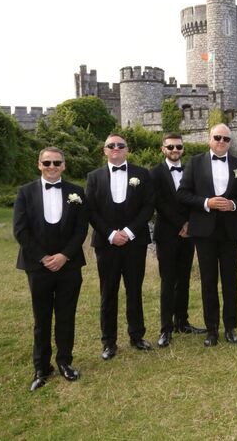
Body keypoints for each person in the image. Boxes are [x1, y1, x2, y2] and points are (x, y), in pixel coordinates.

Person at [13, 147, 88, 390]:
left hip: (69, 265)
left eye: (57, 163)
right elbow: (21, 230)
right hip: (38, 266)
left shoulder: (76, 192)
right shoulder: (25, 193)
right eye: (47, 163)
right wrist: (44, 258)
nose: (52, 167)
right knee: (41, 318)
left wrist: (64, 255)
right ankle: (41, 368)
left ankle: (65, 362)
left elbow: (81, 229)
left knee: (66, 316)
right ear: (39, 165)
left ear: (64, 165)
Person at [177, 123, 237, 346]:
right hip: (204, 231)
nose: (221, 142)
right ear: (210, 139)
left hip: (230, 230)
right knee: (208, 281)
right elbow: (183, 194)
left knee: (230, 280)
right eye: (217, 137)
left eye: (226, 139)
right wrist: (206, 203)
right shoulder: (195, 162)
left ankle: (230, 328)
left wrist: (232, 204)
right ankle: (212, 330)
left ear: (230, 142)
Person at [86, 134, 155, 360]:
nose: (116, 148)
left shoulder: (142, 174)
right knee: (108, 292)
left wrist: (128, 232)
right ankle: (109, 342)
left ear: (127, 149)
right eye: (111, 145)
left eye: (120, 145)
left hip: (135, 242)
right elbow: (91, 211)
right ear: (104, 150)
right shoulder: (93, 177)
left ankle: (136, 336)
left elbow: (148, 207)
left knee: (134, 290)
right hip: (106, 245)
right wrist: (110, 234)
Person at [150, 133, 205, 348]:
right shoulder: (154, 173)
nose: (175, 151)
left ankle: (182, 321)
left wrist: (190, 224)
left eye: (178, 147)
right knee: (167, 280)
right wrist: (180, 224)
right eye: (170, 147)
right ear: (163, 149)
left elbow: (196, 199)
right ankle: (166, 329)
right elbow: (158, 203)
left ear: (183, 149)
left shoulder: (191, 171)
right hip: (167, 233)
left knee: (184, 278)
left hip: (189, 232)